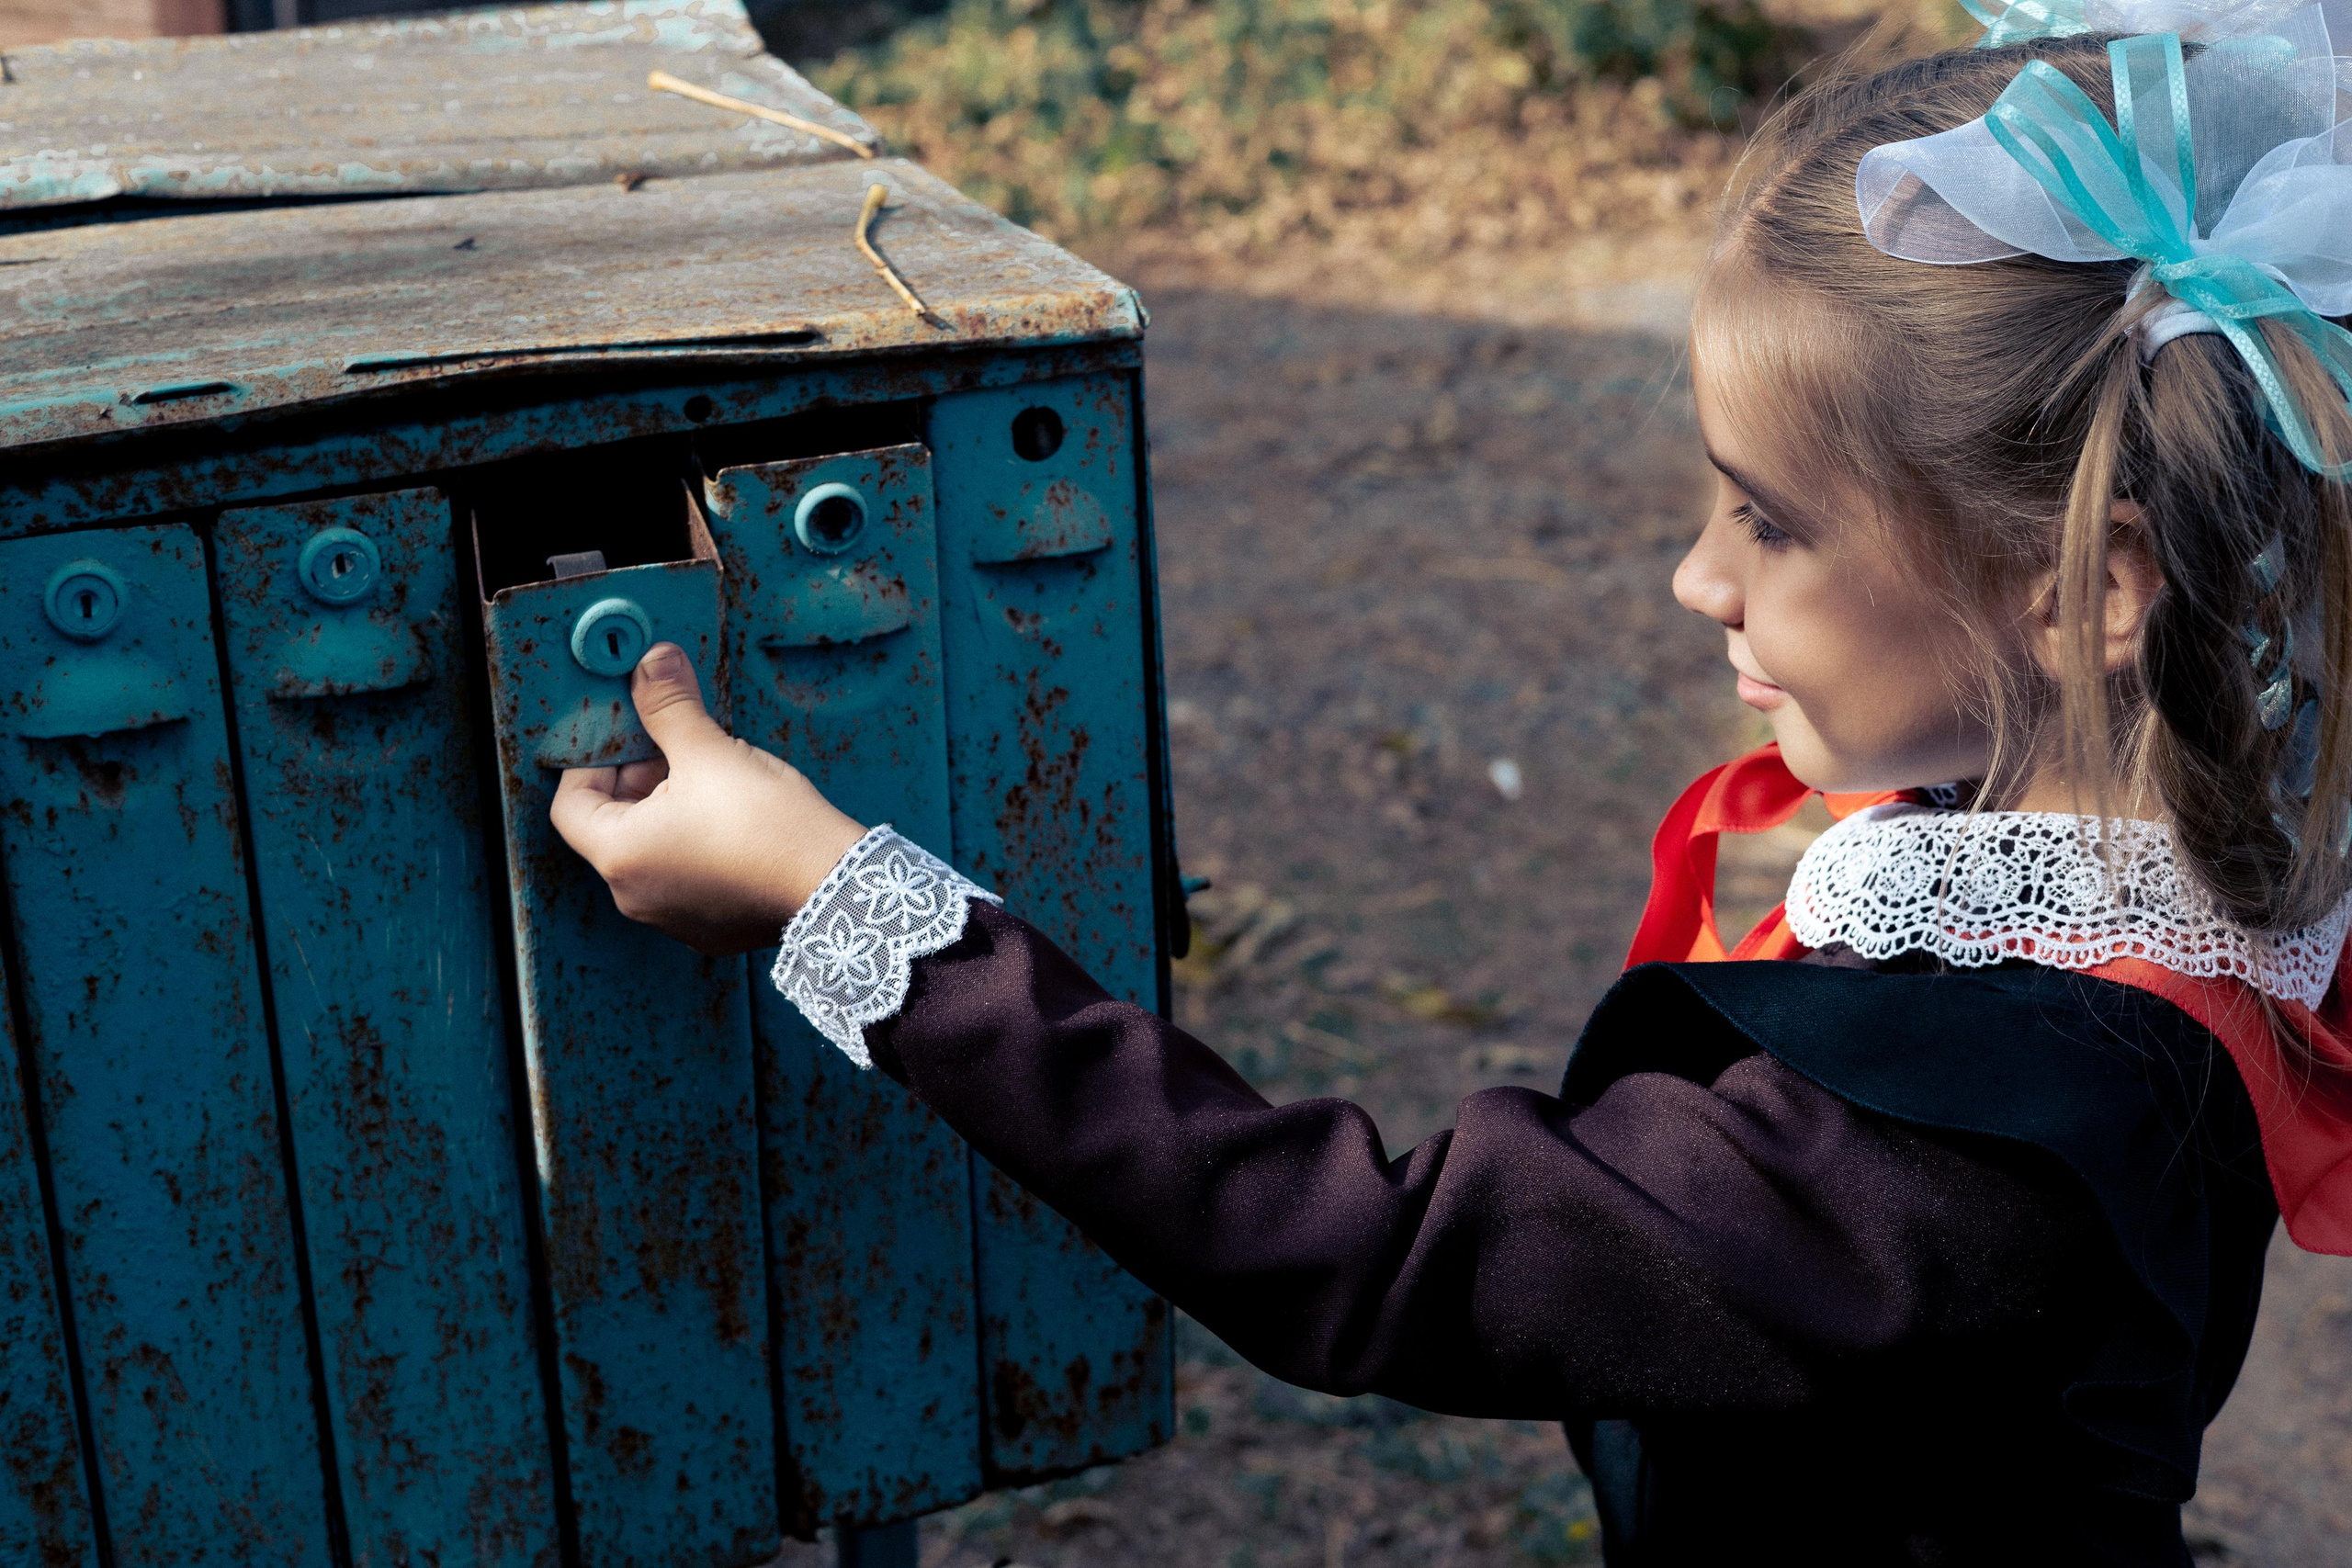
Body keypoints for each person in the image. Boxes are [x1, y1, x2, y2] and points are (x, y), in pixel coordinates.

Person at [549, 6, 2352, 1561]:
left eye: (1770, 520)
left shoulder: (1951, 1164)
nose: (1696, 578)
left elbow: (1355, 1249)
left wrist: (839, 899)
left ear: (2087, 591)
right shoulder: (2148, 897)